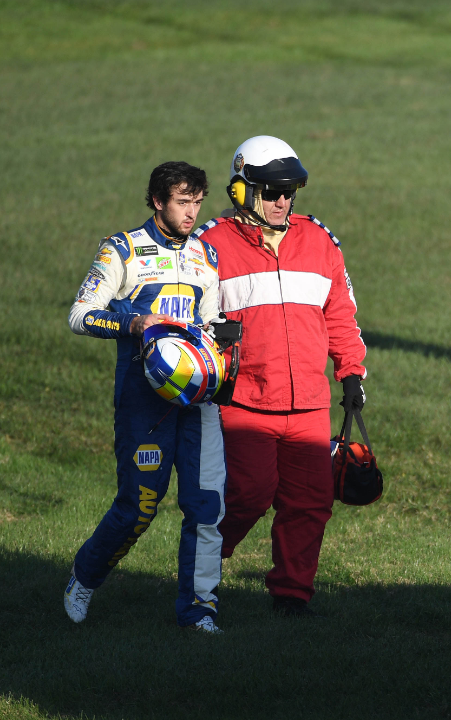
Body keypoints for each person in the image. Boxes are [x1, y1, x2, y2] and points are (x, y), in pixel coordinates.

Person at [194, 135, 366, 617]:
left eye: (289, 191)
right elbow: (186, 321)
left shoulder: (319, 241)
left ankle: (291, 595)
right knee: (248, 493)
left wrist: (351, 374)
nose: (282, 201)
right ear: (242, 191)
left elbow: (341, 314)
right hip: (243, 399)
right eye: (271, 192)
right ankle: (200, 567)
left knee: (310, 501)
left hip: (309, 401)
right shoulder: (209, 245)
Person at [64, 162, 227, 634]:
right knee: (139, 507)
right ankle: (84, 577)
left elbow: (211, 322)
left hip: (198, 399)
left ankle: (198, 610)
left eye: (198, 202)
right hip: (143, 399)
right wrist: (131, 323)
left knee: (205, 507)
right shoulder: (122, 249)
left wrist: (223, 341)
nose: (192, 212)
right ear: (157, 201)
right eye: (183, 202)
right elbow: (80, 314)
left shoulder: (206, 255)